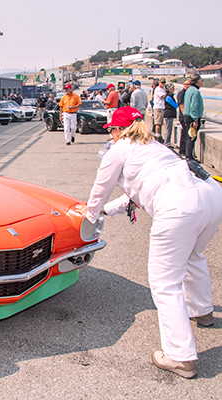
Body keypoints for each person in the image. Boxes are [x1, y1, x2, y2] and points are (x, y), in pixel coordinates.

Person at [78, 106, 222, 379]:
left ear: (117, 130)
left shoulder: (118, 150)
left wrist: (91, 215)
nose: (110, 135)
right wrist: (107, 210)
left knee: (165, 282)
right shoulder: (154, 146)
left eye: (111, 130)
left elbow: (100, 188)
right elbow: (138, 194)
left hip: (178, 205)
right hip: (211, 197)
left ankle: (180, 357)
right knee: (193, 256)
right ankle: (202, 311)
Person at [184, 74, 204, 161]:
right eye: (202, 81)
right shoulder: (196, 92)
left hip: (187, 116)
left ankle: (188, 155)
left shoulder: (189, 90)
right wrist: (195, 119)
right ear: (198, 81)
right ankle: (189, 157)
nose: (202, 83)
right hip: (192, 117)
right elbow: (194, 106)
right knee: (192, 137)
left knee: (189, 136)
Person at [177, 79, 191, 157]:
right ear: (184, 85)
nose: (189, 86)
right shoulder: (182, 94)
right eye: (188, 84)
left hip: (186, 116)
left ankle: (185, 150)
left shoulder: (188, 93)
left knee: (186, 134)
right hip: (183, 117)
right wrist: (185, 116)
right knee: (185, 134)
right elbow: (182, 106)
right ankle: (182, 150)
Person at [153, 77, 167, 142]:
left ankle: (159, 135)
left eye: (164, 83)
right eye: (162, 83)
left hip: (162, 107)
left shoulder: (162, 89)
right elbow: (163, 96)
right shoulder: (158, 89)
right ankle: (157, 136)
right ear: (159, 82)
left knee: (161, 123)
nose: (163, 84)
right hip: (158, 107)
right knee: (158, 123)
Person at [164, 83, 177, 148]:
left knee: (169, 130)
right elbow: (175, 105)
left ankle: (167, 143)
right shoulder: (168, 97)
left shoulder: (170, 96)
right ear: (169, 89)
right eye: (173, 89)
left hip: (169, 114)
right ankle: (167, 144)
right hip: (168, 114)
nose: (173, 90)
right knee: (168, 130)